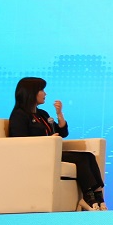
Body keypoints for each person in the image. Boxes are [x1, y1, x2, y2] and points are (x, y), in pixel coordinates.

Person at [8, 77, 107, 211]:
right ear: (31, 92)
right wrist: (47, 140)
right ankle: (88, 197)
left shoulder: (42, 114)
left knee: (89, 156)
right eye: (42, 90)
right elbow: (19, 141)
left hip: (51, 152)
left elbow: (62, 133)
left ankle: (98, 195)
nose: (45, 93)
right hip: (37, 155)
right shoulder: (19, 115)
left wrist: (59, 114)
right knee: (81, 159)